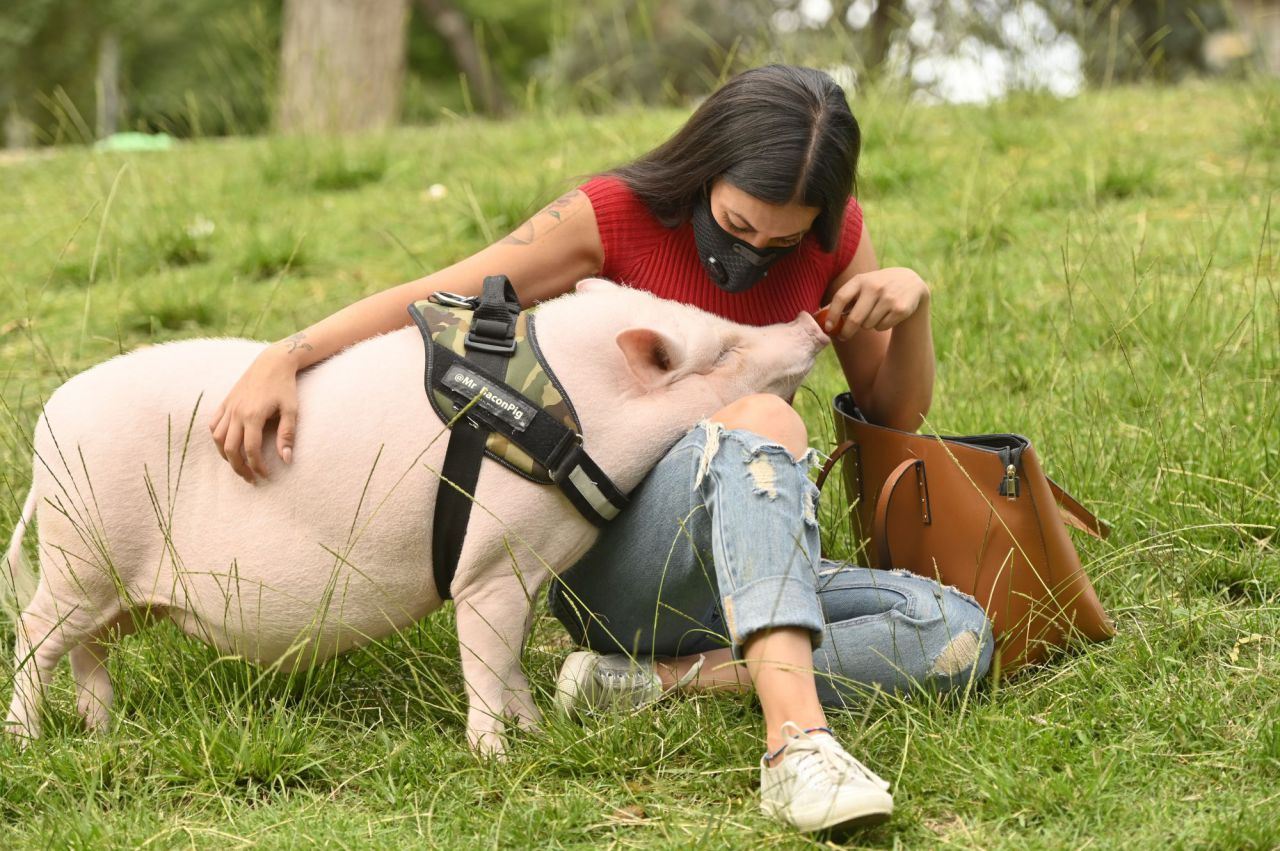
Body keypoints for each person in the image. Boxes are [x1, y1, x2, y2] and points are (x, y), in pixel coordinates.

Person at [209, 64, 993, 834]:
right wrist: (289, 351)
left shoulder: (835, 237)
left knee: (955, 635)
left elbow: (893, 411)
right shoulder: (613, 214)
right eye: (738, 225)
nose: (757, 251)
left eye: (782, 241)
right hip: (614, 561)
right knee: (759, 415)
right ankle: (798, 745)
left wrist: (911, 306)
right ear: (705, 169)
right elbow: (440, 297)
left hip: (757, 551)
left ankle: (649, 682)